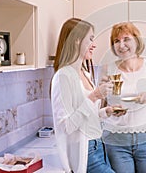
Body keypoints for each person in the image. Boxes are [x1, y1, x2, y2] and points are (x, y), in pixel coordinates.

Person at [50, 18, 125, 173]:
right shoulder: (63, 77)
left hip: (99, 146)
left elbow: (87, 117)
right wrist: (94, 96)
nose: (94, 44)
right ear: (77, 41)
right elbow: (67, 126)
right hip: (86, 154)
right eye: (91, 39)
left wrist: (106, 112)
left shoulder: (85, 73)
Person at [101, 22, 146, 173]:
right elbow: (100, 108)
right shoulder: (108, 69)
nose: (121, 45)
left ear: (137, 41)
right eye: (116, 41)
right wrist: (110, 109)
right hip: (115, 142)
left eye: (126, 39)